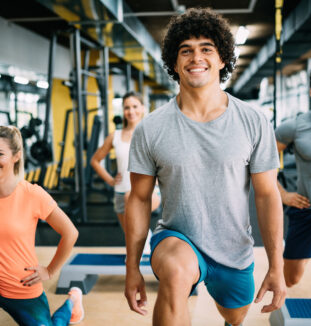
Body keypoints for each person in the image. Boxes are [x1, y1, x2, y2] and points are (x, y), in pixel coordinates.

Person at [124, 8, 286, 326]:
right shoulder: (151, 128)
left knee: (235, 315)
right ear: (174, 62)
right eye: (186, 50)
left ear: (222, 58)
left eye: (206, 49)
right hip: (177, 238)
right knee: (174, 273)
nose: (195, 57)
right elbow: (139, 199)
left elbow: (267, 195)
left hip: (234, 249)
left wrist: (276, 265)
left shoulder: (252, 121)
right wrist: (132, 268)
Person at [0, 125, 84, 325]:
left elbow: (70, 233)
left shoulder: (32, 194)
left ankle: (72, 301)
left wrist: (50, 270)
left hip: (20, 287)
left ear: (16, 156)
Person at [275, 66, 311, 288]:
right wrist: (283, 194)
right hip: (309, 205)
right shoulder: (295, 127)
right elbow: (259, 162)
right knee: (291, 278)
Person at [91, 91, 161, 233]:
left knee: (136, 232)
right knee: (129, 237)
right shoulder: (114, 136)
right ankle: (143, 243)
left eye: (135, 106)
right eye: (127, 108)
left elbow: (164, 161)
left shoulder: (152, 133)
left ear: (142, 108)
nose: (131, 111)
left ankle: (145, 242)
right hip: (120, 191)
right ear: (123, 110)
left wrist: (158, 179)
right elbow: (95, 161)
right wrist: (110, 180)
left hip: (146, 191)